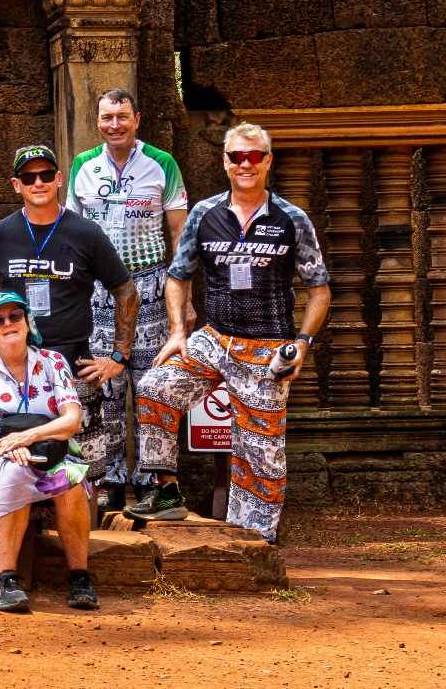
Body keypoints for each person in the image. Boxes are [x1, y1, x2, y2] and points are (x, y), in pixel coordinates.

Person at [126, 122, 331, 543]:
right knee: (155, 387)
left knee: (261, 455)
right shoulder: (205, 214)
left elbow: (319, 290)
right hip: (214, 338)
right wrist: (177, 332)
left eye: (254, 156)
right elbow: (178, 276)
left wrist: (303, 344)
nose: (245, 164)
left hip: (266, 347)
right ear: (225, 161)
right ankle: (167, 493)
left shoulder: (292, 219)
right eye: (236, 156)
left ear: (268, 160)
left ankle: (254, 543)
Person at [0, 145, 136, 484]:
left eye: (46, 175)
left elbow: (126, 290)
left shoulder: (86, 233)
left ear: (59, 179)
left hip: (72, 361)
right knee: (18, 461)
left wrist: (120, 354)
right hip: (14, 365)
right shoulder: (1, 233)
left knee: (84, 470)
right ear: (16, 185)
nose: (38, 182)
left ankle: (84, 535)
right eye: (29, 177)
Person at [65, 89, 189, 503]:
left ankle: (158, 481)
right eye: (106, 117)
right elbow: (73, 235)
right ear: (96, 121)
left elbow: (180, 237)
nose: (114, 124)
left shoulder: (162, 164)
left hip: (150, 285)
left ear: (137, 118)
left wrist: (183, 302)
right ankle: (109, 480)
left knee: (153, 383)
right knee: (105, 385)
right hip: (100, 292)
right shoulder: (84, 165)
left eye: (122, 116)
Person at [0, 291, 98, 613]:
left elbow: (72, 421)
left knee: (71, 482)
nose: (8, 323)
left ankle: (80, 576)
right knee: (14, 472)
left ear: (27, 322)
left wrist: (26, 437)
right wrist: (7, 448)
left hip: (52, 450)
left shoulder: (52, 362)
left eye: (15, 316)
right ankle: (5, 578)